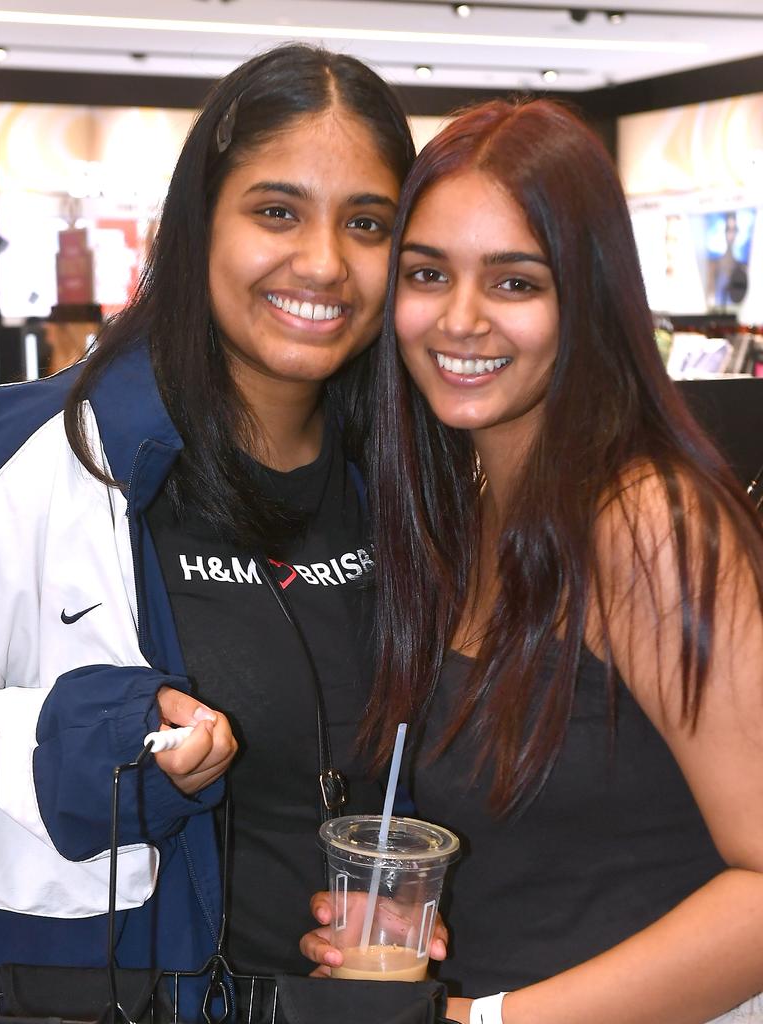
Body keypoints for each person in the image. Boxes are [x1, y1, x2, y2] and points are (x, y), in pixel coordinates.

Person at [304, 99, 763, 1024]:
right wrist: (399, 916)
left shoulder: (647, 526)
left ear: (586, 300)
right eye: (428, 275)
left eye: (515, 283)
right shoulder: (460, 510)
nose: (461, 321)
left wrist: (492, 1020)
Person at [0, 44, 418, 1020]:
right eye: (277, 211)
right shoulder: (44, 457)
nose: (322, 261)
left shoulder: (408, 483)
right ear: (198, 224)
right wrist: (96, 743)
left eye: (367, 223)